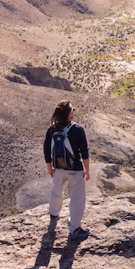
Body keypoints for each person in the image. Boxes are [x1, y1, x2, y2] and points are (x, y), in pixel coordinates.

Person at [45, 101, 91, 238]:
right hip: (75, 169)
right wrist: (87, 170)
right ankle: (75, 227)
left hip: (58, 168)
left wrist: (50, 168)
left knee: (56, 190)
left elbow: (46, 151)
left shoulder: (51, 129)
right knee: (77, 199)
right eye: (72, 110)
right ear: (69, 113)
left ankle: (54, 214)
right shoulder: (78, 129)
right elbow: (85, 152)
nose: (73, 112)